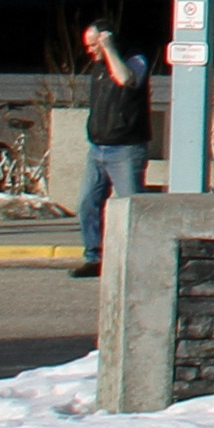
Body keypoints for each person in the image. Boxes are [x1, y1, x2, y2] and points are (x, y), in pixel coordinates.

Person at [74, 19, 150, 279]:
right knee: (87, 202)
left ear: (107, 40)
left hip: (126, 149)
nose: (90, 51)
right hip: (98, 149)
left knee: (132, 205)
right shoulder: (97, 67)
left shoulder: (134, 59)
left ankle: (138, 258)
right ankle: (94, 257)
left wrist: (108, 49)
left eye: (93, 44)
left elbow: (124, 79)